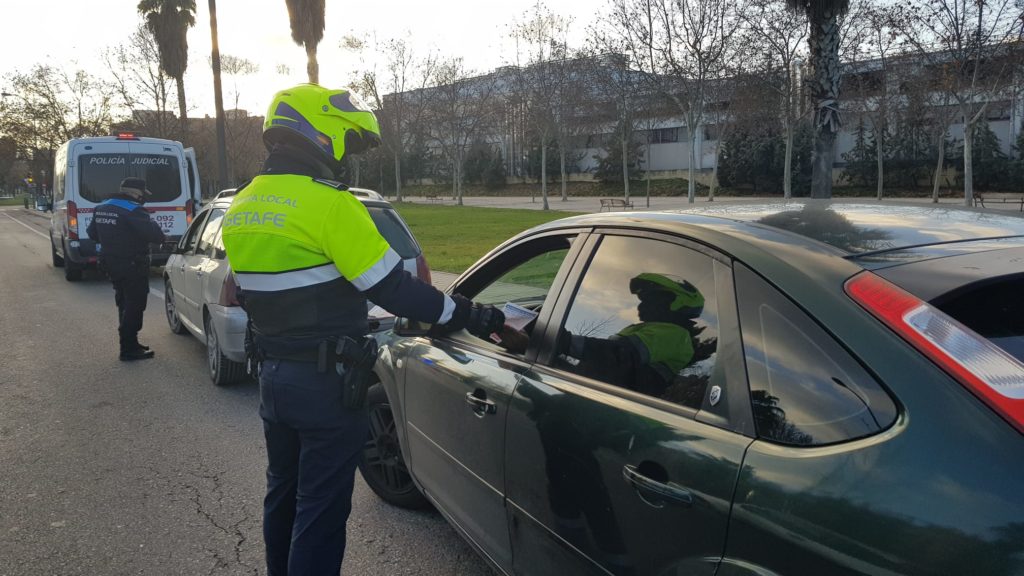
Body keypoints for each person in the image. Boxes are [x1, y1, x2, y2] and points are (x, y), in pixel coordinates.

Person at [221, 83, 504, 576]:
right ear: (321, 133)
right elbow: (393, 289)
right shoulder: (331, 205)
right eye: (348, 143)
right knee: (322, 509)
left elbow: (258, 290)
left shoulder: (242, 206)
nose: (349, 156)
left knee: (282, 493)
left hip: (273, 377)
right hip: (327, 384)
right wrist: (469, 315)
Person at [86, 177, 165, 361]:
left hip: (111, 263)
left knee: (123, 302)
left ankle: (130, 342)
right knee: (135, 305)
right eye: (142, 194)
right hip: (132, 264)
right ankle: (128, 348)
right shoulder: (133, 210)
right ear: (135, 193)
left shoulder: (102, 207)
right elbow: (156, 235)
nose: (143, 198)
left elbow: (92, 234)